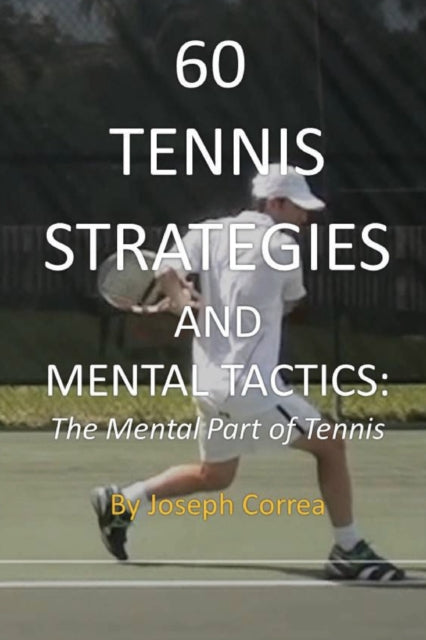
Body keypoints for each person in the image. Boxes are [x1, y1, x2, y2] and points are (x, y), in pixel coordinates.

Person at [91, 165, 404, 581]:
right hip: (249, 389)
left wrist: (182, 302)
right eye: (298, 207)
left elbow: (166, 272)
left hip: (209, 386)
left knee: (215, 475)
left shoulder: (207, 232)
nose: (304, 217)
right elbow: (290, 302)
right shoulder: (282, 247)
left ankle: (123, 502)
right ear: (274, 203)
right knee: (330, 445)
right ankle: (349, 549)